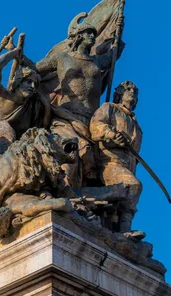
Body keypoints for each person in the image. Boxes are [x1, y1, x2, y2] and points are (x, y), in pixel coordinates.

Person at [35, 16, 124, 187]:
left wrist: (120, 28)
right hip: (67, 116)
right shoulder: (62, 58)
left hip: (92, 119)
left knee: (98, 162)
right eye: (89, 33)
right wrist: (16, 55)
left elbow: (114, 53)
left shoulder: (97, 61)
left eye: (94, 33)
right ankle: (64, 190)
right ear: (79, 36)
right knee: (74, 150)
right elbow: (35, 68)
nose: (93, 36)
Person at [90, 80, 143, 236]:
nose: (133, 93)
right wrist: (111, 135)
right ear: (120, 94)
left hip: (128, 166)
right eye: (129, 90)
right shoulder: (110, 108)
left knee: (127, 194)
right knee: (134, 185)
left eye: (135, 92)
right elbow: (96, 125)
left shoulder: (137, 126)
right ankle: (125, 229)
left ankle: (121, 231)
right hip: (109, 162)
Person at [0, 48, 51, 148]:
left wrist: (46, 106)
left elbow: (44, 127)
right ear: (19, 82)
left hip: (15, 152)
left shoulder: (31, 109)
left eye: (35, 84)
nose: (32, 87)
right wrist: (14, 52)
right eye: (28, 82)